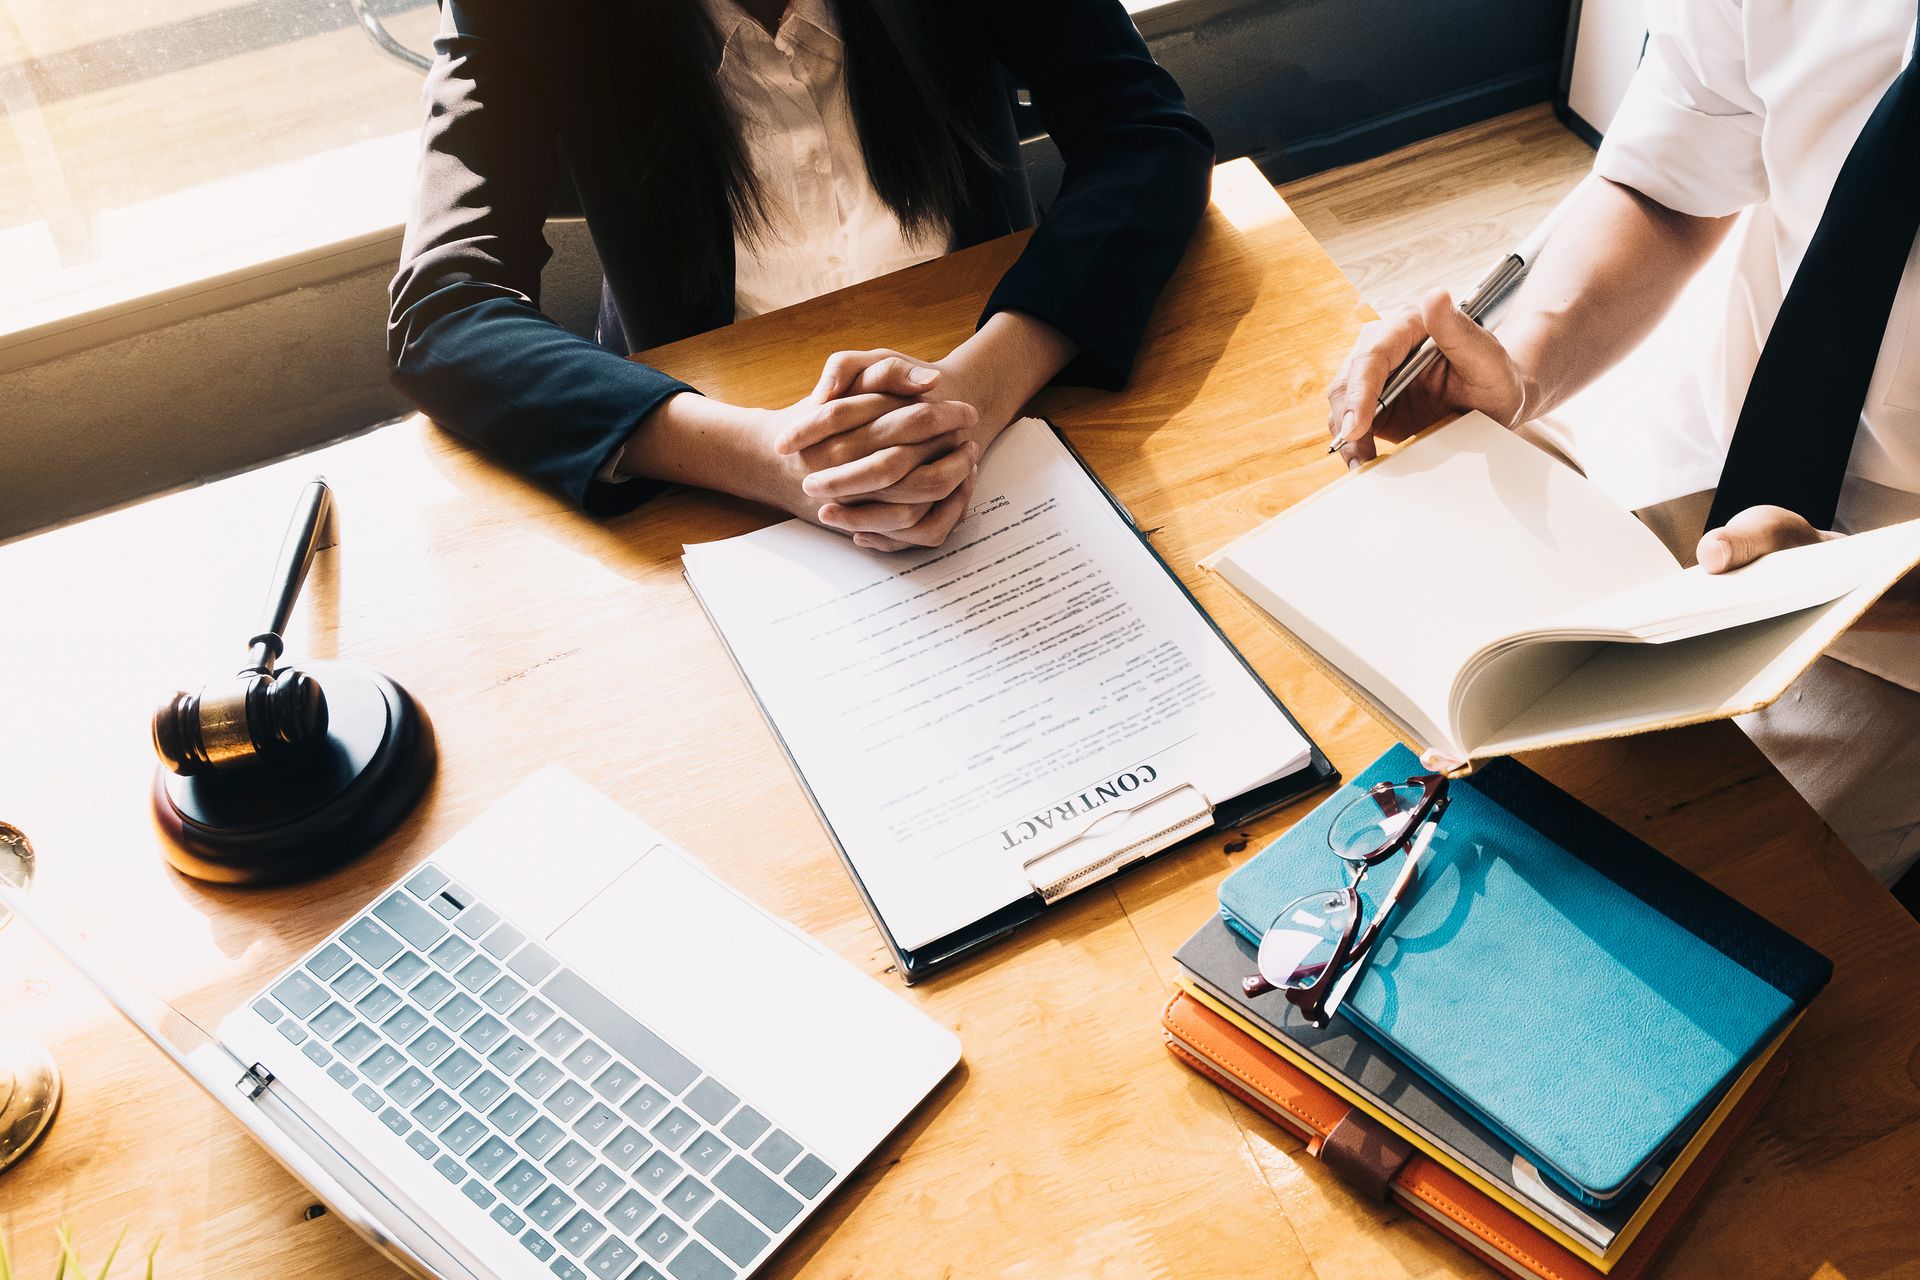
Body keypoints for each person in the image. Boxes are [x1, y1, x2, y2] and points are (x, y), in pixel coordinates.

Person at [1325, 0, 1920, 893]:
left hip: (1892, 612)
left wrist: (1857, 586)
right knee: (1356, 689)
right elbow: (1666, 184)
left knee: (1660, 905)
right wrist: (1523, 365)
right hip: (1715, 417)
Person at [388, 0, 1212, 553]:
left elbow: (1147, 137)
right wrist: (769, 454)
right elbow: (443, 311)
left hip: (1008, 384)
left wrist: (979, 387)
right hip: (719, 461)